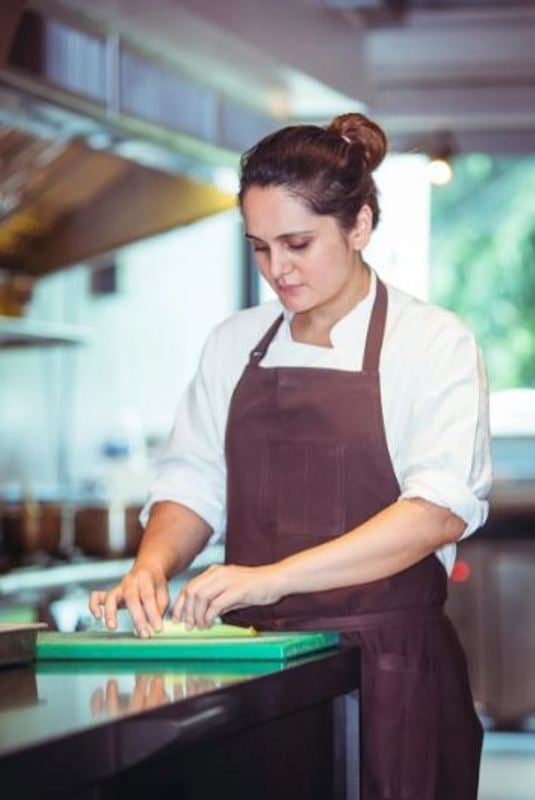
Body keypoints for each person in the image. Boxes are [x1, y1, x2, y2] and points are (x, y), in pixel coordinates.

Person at [90, 112, 492, 800]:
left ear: (359, 225)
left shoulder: (431, 343)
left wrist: (272, 577)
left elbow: (434, 513)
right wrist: (150, 567)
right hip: (253, 673)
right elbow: (192, 481)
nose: (277, 270)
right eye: (259, 248)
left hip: (387, 674)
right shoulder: (232, 343)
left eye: (297, 243)